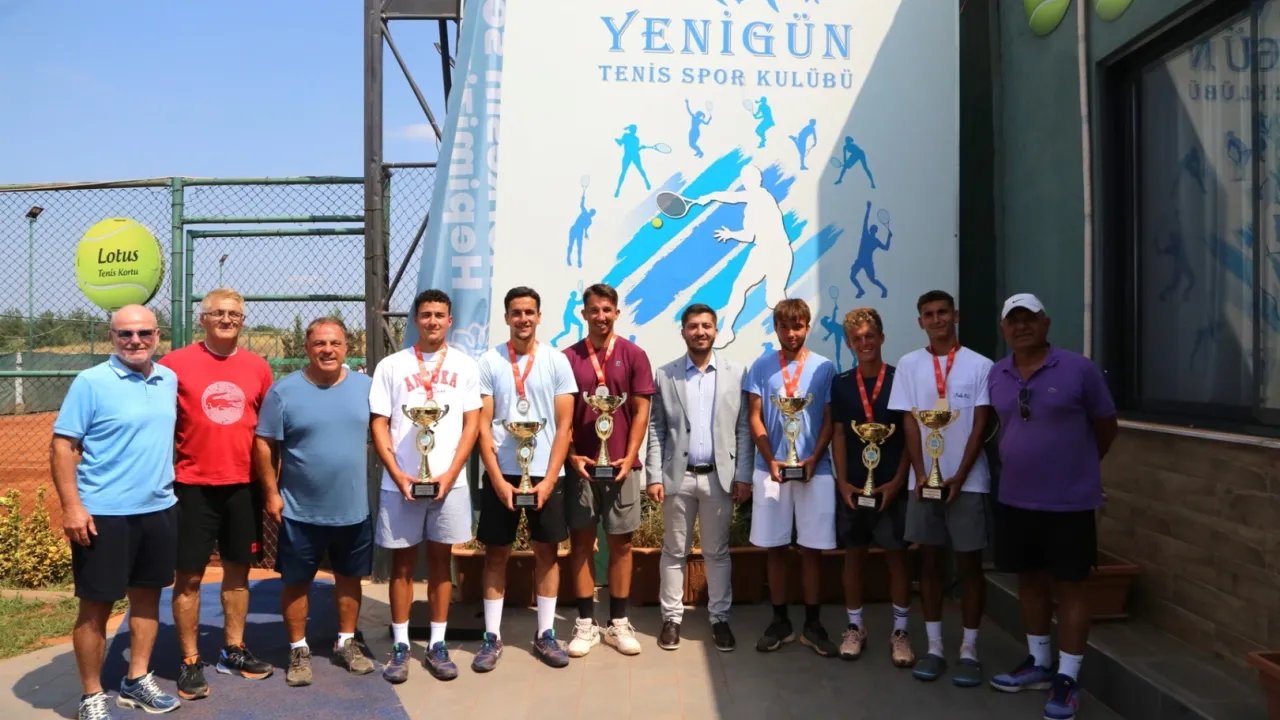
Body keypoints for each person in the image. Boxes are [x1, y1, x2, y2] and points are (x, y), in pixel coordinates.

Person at [987, 294, 1118, 720]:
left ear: (1046, 323)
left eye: (1029, 319)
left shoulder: (1078, 368)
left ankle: (1068, 677)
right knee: (1029, 581)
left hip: (1068, 502)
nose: (1021, 326)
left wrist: (1080, 467)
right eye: (1013, 320)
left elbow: (1106, 425)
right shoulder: (998, 373)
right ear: (1004, 329)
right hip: (1015, 498)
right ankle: (1040, 664)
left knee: (1072, 586)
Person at [52, 304, 182, 719]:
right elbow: (62, 446)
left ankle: (136, 680)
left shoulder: (167, 379)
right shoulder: (91, 382)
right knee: (96, 607)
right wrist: (72, 506)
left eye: (144, 333)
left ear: (157, 336)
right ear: (111, 337)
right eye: (125, 333)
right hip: (103, 514)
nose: (135, 341)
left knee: (147, 599)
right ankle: (92, 695)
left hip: (159, 508)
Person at [159, 288, 275, 700]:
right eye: (219, 313)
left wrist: (271, 485)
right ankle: (190, 660)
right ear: (203, 319)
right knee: (189, 576)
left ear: (242, 321)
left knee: (238, 573)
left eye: (234, 314)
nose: (227, 319)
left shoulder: (258, 367)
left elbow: (267, 432)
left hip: (243, 486)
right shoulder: (174, 365)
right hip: (192, 487)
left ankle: (233, 650)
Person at [254, 317, 375, 687]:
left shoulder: (367, 387)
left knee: (349, 579)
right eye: (320, 343)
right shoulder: (283, 392)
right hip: (299, 511)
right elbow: (264, 443)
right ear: (307, 349)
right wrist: (271, 493)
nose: (327, 350)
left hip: (353, 509)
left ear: (347, 348)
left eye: (335, 343)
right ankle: (298, 648)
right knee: (296, 582)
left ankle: (346, 642)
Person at [370, 289, 482, 683]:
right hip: (400, 482)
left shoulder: (465, 366)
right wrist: (398, 473)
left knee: (440, 562)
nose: (432, 321)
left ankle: (437, 643)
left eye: (439, 315)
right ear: (415, 320)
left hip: (449, 483)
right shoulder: (391, 365)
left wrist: (450, 473)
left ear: (450, 321)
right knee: (401, 565)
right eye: (426, 314)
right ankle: (401, 645)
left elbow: (472, 423)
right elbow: (379, 422)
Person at [887, 289, 995, 687]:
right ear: (920, 322)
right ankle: (934, 648)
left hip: (969, 483)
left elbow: (981, 424)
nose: (937, 319)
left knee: (969, 566)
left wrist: (960, 476)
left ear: (956, 315)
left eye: (943, 312)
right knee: (930, 564)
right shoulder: (909, 364)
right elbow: (909, 422)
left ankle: (969, 650)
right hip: (924, 485)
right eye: (929, 314)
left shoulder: (980, 365)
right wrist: (921, 474)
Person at [473, 286, 575, 671]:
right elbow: (482, 426)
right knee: (496, 554)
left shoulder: (556, 361)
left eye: (529, 312)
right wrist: (497, 480)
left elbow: (564, 427)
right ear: (506, 318)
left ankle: (545, 633)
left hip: (546, 473)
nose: (523, 319)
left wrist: (549, 481)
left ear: (539, 316)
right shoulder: (489, 361)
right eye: (516, 312)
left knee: (547, 553)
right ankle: (492, 636)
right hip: (503, 472)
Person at [645, 304, 753, 652]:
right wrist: (653, 476)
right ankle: (671, 618)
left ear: (716, 331)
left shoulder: (736, 372)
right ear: (683, 332)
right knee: (674, 551)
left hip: (719, 479)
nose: (700, 332)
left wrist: (744, 476)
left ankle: (719, 619)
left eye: (707, 326)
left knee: (717, 552)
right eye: (693, 326)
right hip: (677, 478)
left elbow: (743, 429)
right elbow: (657, 428)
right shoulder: (666, 374)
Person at [563, 283, 655, 657]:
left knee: (621, 543)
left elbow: (641, 410)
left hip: (621, 467)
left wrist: (630, 456)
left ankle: (618, 623)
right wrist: (572, 455)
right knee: (581, 543)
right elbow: (562, 415)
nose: (600, 316)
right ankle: (586, 623)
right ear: (583, 314)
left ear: (616, 312)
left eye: (607, 309)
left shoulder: (634, 355)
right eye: (594, 310)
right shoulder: (568, 358)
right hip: (582, 469)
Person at [746, 298, 839, 657]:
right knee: (776, 547)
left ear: (807, 326)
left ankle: (812, 624)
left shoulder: (824, 367)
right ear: (776, 328)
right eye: (784, 327)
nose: (791, 333)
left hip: (817, 470)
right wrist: (770, 458)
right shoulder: (762, 366)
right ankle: (780, 621)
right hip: (771, 470)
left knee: (813, 549)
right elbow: (755, 417)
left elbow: (830, 420)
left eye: (797, 326)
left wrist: (814, 456)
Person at [829, 308, 914, 667]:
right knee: (854, 556)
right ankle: (855, 627)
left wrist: (898, 481)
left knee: (897, 558)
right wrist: (842, 481)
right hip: (854, 485)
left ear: (881, 337)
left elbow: (911, 433)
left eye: (869, 336)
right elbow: (838, 434)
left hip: (892, 484)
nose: (864, 343)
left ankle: (900, 632)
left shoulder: (900, 378)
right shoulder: (841, 383)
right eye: (857, 338)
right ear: (849, 343)